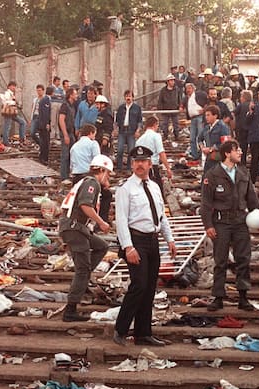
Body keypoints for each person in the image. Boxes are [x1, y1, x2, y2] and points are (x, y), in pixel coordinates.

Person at [113, 146, 176, 346]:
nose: (140, 165)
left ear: (150, 164)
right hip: (136, 240)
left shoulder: (155, 186)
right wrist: (128, 247)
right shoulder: (125, 189)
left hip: (152, 240)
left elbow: (161, 215)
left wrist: (170, 238)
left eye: (144, 161)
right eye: (136, 161)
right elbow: (121, 220)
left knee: (150, 287)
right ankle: (120, 329)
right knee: (138, 285)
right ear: (132, 164)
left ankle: (143, 333)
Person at [200, 139, 259, 311]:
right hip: (221, 222)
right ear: (227, 153)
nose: (241, 152)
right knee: (220, 260)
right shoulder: (212, 175)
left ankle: (243, 297)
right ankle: (218, 297)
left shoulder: (243, 173)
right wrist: (208, 225)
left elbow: (252, 198)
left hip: (240, 221)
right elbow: (205, 203)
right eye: (237, 150)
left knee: (243, 258)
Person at [58, 154, 113, 322]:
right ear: (102, 170)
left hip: (77, 228)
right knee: (82, 270)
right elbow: (85, 205)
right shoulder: (92, 183)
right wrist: (101, 222)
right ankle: (70, 310)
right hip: (75, 228)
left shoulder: (85, 181)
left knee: (101, 246)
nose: (108, 177)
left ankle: (85, 278)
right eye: (108, 173)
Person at [70, 124, 112, 224]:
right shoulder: (93, 144)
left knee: (78, 201)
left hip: (76, 176)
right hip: (89, 176)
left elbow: (71, 164)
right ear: (91, 133)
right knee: (106, 195)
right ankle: (102, 220)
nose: (94, 137)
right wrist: (105, 181)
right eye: (94, 134)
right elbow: (98, 162)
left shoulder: (74, 146)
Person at [135, 115, 172, 196]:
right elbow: (161, 153)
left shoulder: (139, 140)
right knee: (157, 192)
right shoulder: (156, 136)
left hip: (141, 168)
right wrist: (168, 168)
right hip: (152, 167)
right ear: (155, 124)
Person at [198, 105, 230, 175]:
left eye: (208, 115)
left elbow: (226, 144)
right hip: (209, 158)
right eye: (205, 115)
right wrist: (202, 148)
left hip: (219, 158)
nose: (206, 117)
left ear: (215, 116)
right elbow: (199, 138)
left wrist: (211, 149)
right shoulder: (206, 128)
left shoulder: (223, 127)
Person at [115, 90, 143, 171]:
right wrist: (116, 129)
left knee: (131, 151)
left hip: (132, 132)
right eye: (127, 96)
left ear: (133, 98)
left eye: (130, 96)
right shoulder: (121, 108)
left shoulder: (137, 108)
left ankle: (129, 168)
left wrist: (138, 130)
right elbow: (117, 120)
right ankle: (119, 168)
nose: (128, 98)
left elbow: (140, 121)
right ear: (124, 97)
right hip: (122, 131)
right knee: (120, 150)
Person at [180, 83, 207, 160]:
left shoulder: (199, 95)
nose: (188, 90)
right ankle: (195, 155)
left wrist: (204, 110)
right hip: (192, 119)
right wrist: (181, 108)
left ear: (193, 89)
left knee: (200, 136)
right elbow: (181, 105)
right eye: (187, 89)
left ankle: (202, 154)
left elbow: (206, 101)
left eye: (189, 88)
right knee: (192, 138)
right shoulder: (186, 98)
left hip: (200, 117)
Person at [59, 87, 78, 183]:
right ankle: (63, 176)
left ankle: (68, 173)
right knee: (65, 155)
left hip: (71, 133)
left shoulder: (72, 106)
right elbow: (61, 120)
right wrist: (65, 135)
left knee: (71, 154)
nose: (77, 96)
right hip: (66, 133)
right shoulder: (65, 106)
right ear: (71, 95)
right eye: (75, 94)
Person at [0, 81, 26, 147]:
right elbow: (5, 101)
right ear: (9, 86)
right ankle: (5, 141)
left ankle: (22, 139)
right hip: (8, 111)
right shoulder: (7, 93)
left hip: (12, 112)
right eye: (12, 86)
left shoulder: (12, 94)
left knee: (22, 122)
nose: (14, 87)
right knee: (7, 126)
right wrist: (14, 103)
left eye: (14, 86)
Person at [157, 74, 180, 140]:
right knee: (165, 124)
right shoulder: (163, 90)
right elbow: (160, 100)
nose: (173, 82)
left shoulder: (176, 90)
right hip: (165, 110)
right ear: (167, 82)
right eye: (171, 80)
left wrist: (179, 106)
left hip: (174, 109)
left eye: (173, 80)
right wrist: (160, 109)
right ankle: (165, 136)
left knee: (176, 124)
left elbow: (179, 99)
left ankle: (176, 136)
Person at [234, 90, 253, 164]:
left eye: (241, 97)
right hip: (252, 130)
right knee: (254, 150)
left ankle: (242, 164)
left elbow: (233, 113)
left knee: (243, 148)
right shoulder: (253, 105)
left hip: (242, 129)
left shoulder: (241, 105)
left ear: (244, 97)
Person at [38, 86, 53, 165]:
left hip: (42, 124)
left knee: (43, 141)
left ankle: (42, 157)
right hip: (44, 125)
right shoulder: (46, 100)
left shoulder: (43, 100)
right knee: (45, 142)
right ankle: (44, 158)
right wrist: (47, 123)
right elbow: (46, 113)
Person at [50, 76, 65, 143]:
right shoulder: (51, 88)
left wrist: (57, 96)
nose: (59, 82)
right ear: (54, 81)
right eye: (58, 81)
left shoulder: (60, 89)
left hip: (60, 104)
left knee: (58, 120)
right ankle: (52, 135)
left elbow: (62, 96)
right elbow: (52, 96)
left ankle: (58, 134)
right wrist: (57, 96)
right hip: (53, 104)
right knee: (53, 119)